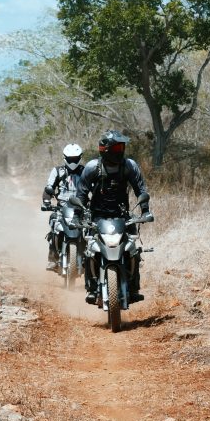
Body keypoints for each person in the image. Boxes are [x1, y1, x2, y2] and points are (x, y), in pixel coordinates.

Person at [76, 129, 153, 304]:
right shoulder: (92, 167)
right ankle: (92, 287)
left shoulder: (129, 166)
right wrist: (77, 215)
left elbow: (140, 189)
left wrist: (145, 210)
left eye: (122, 146)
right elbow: (81, 193)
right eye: (117, 147)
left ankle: (133, 288)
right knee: (91, 250)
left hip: (123, 215)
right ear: (106, 149)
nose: (121, 150)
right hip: (97, 217)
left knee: (133, 249)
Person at [41, 143, 85, 271]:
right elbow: (49, 188)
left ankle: (89, 258)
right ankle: (53, 259)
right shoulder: (57, 171)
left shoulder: (85, 171)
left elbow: (94, 188)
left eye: (75, 158)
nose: (73, 161)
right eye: (70, 159)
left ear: (80, 157)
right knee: (54, 227)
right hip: (61, 208)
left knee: (90, 230)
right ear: (65, 157)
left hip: (81, 208)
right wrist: (46, 202)